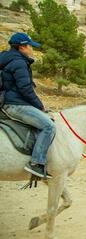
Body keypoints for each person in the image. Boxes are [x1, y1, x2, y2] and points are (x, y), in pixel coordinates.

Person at [0, 32, 55, 179]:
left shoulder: (7, 59)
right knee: (49, 126)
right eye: (30, 46)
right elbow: (25, 89)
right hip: (15, 105)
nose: (32, 49)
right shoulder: (19, 62)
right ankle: (36, 164)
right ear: (22, 47)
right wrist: (40, 106)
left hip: (9, 101)